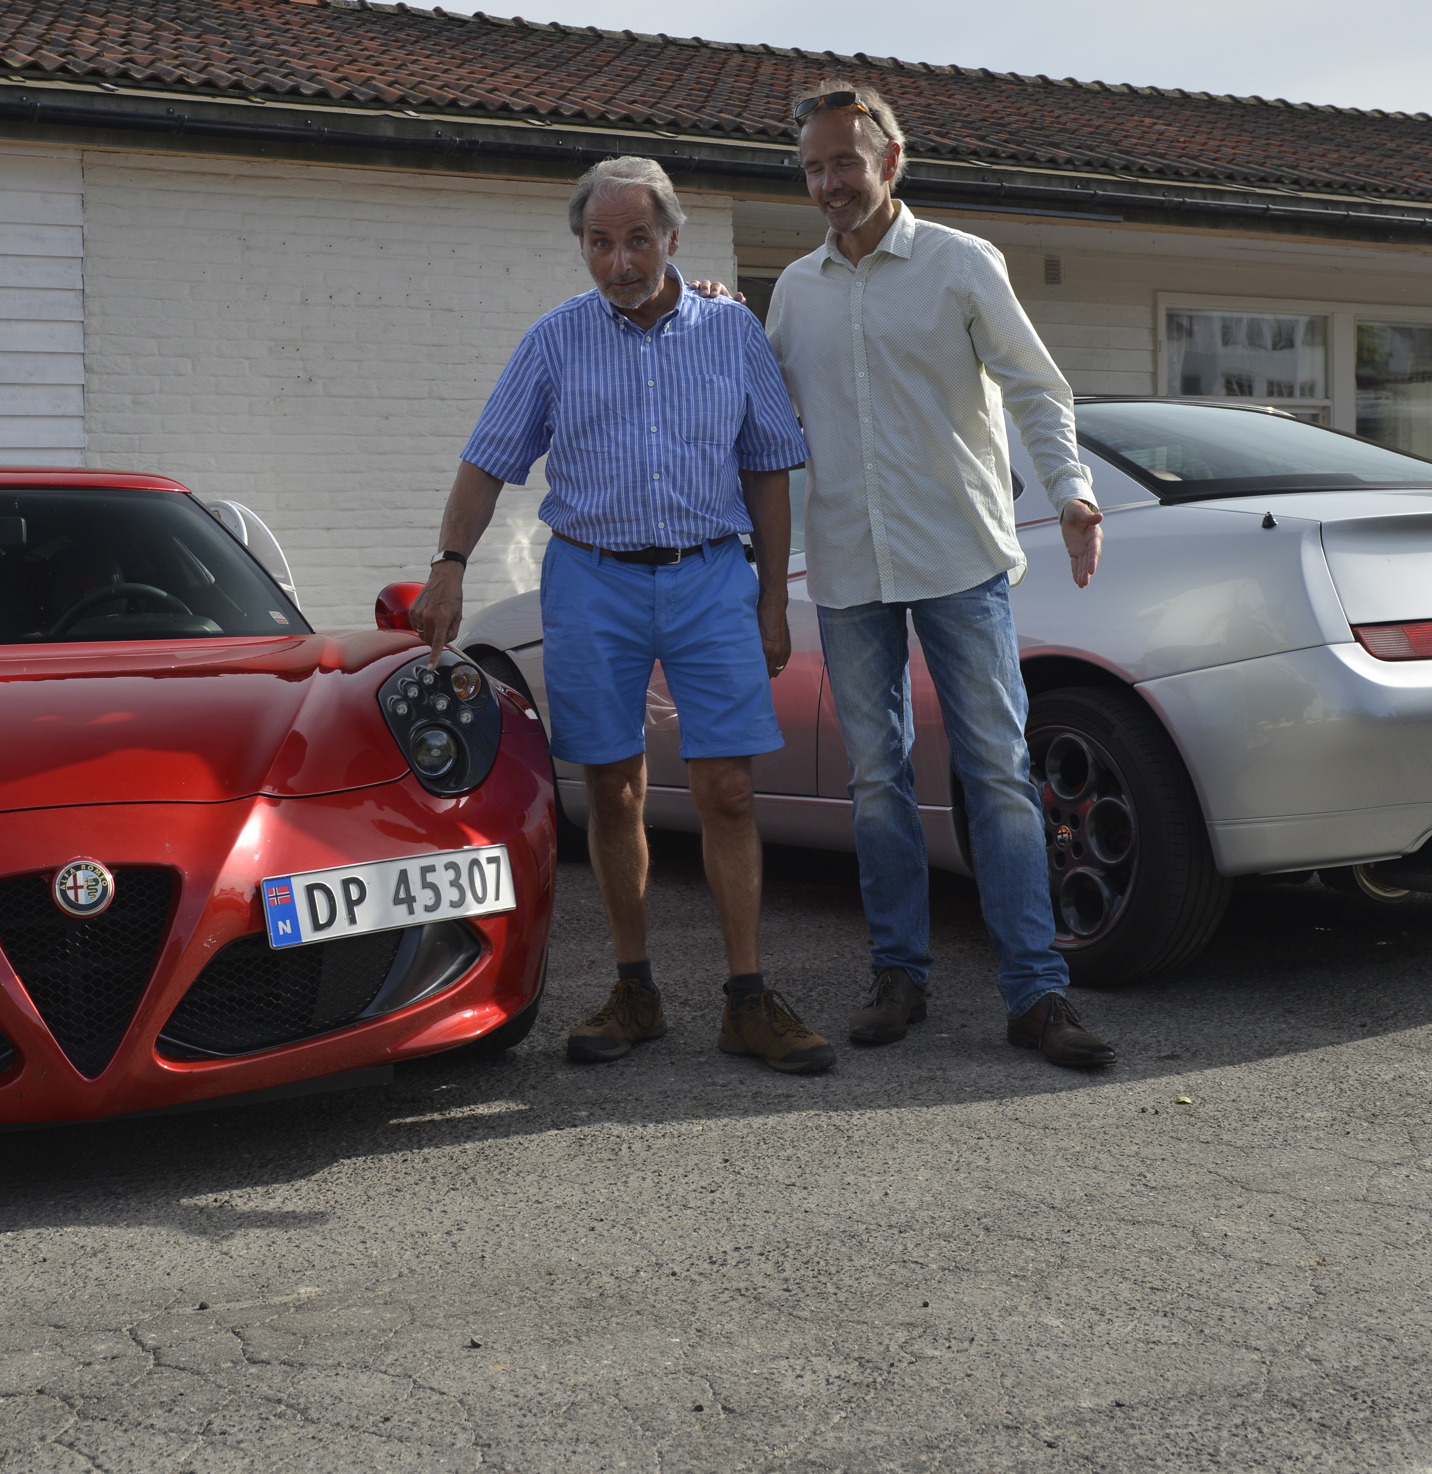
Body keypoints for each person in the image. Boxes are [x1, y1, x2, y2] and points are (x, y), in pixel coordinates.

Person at [412, 157, 835, 1075]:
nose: (619, 262)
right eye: (599, 243)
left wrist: (771, 598)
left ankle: (747, 998)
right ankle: (634, 990)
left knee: (729, 789)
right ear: (581, 246)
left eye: (637, 239)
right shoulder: (553, 340)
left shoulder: (732, 330)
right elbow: (487, 461)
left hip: (709, 576)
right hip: (591, 580)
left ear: (672, 238)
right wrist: (448, 567)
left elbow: (768, 465)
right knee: (611, 789)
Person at [764, 81, 1116, 1070]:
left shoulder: (961, 263)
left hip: (959, 556)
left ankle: (1035, 994)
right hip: (847, 566)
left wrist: (1073, 491)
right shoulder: (794, 291)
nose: (829, 184)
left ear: (890, 161)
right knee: (875, 779)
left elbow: (1036, 387)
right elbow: (761, 414)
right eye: (813, 169)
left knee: (996, 772)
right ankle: (899, 976)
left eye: (844, 162)